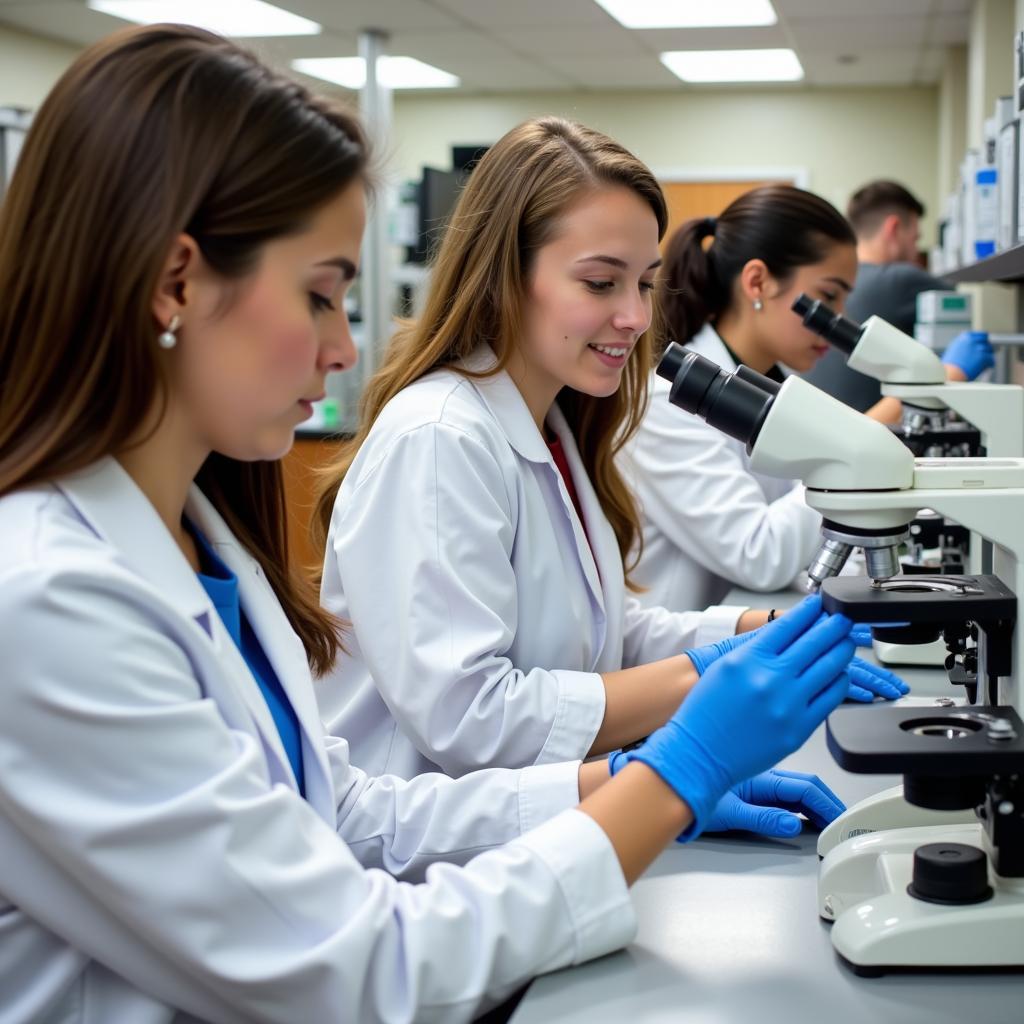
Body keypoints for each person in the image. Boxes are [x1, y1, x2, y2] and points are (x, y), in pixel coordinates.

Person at [0, 26, 865, 1023]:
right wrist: (673, 773)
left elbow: (343, 812)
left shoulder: (200, 540)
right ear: (175, 281)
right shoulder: (50, 601)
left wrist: (614, 781)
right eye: (321, 293)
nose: (344, 345)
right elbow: (361, 966)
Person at [314, 125, 907, 788]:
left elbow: (601, 639)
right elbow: (471, 718)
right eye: (600, 284)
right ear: (504, 277)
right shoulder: (439, 438)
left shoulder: (558, 427)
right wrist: (703, 689)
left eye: (645, 285)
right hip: (429, 853)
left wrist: (771, 629)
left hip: (525, 822)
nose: (634, 316)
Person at [620, 185, 859, 611]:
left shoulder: (777, 388)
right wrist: (853, 463)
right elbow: (760, 554)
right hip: (672, 658)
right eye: (827, 296)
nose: (837, 320)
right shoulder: (665, 403)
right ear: (757, 282)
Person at [802, 179, 993, 419]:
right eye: (914, 238)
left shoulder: (835, 281)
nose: (915, 251)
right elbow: (958, 302)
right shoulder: (901, 279)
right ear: (893, 228)